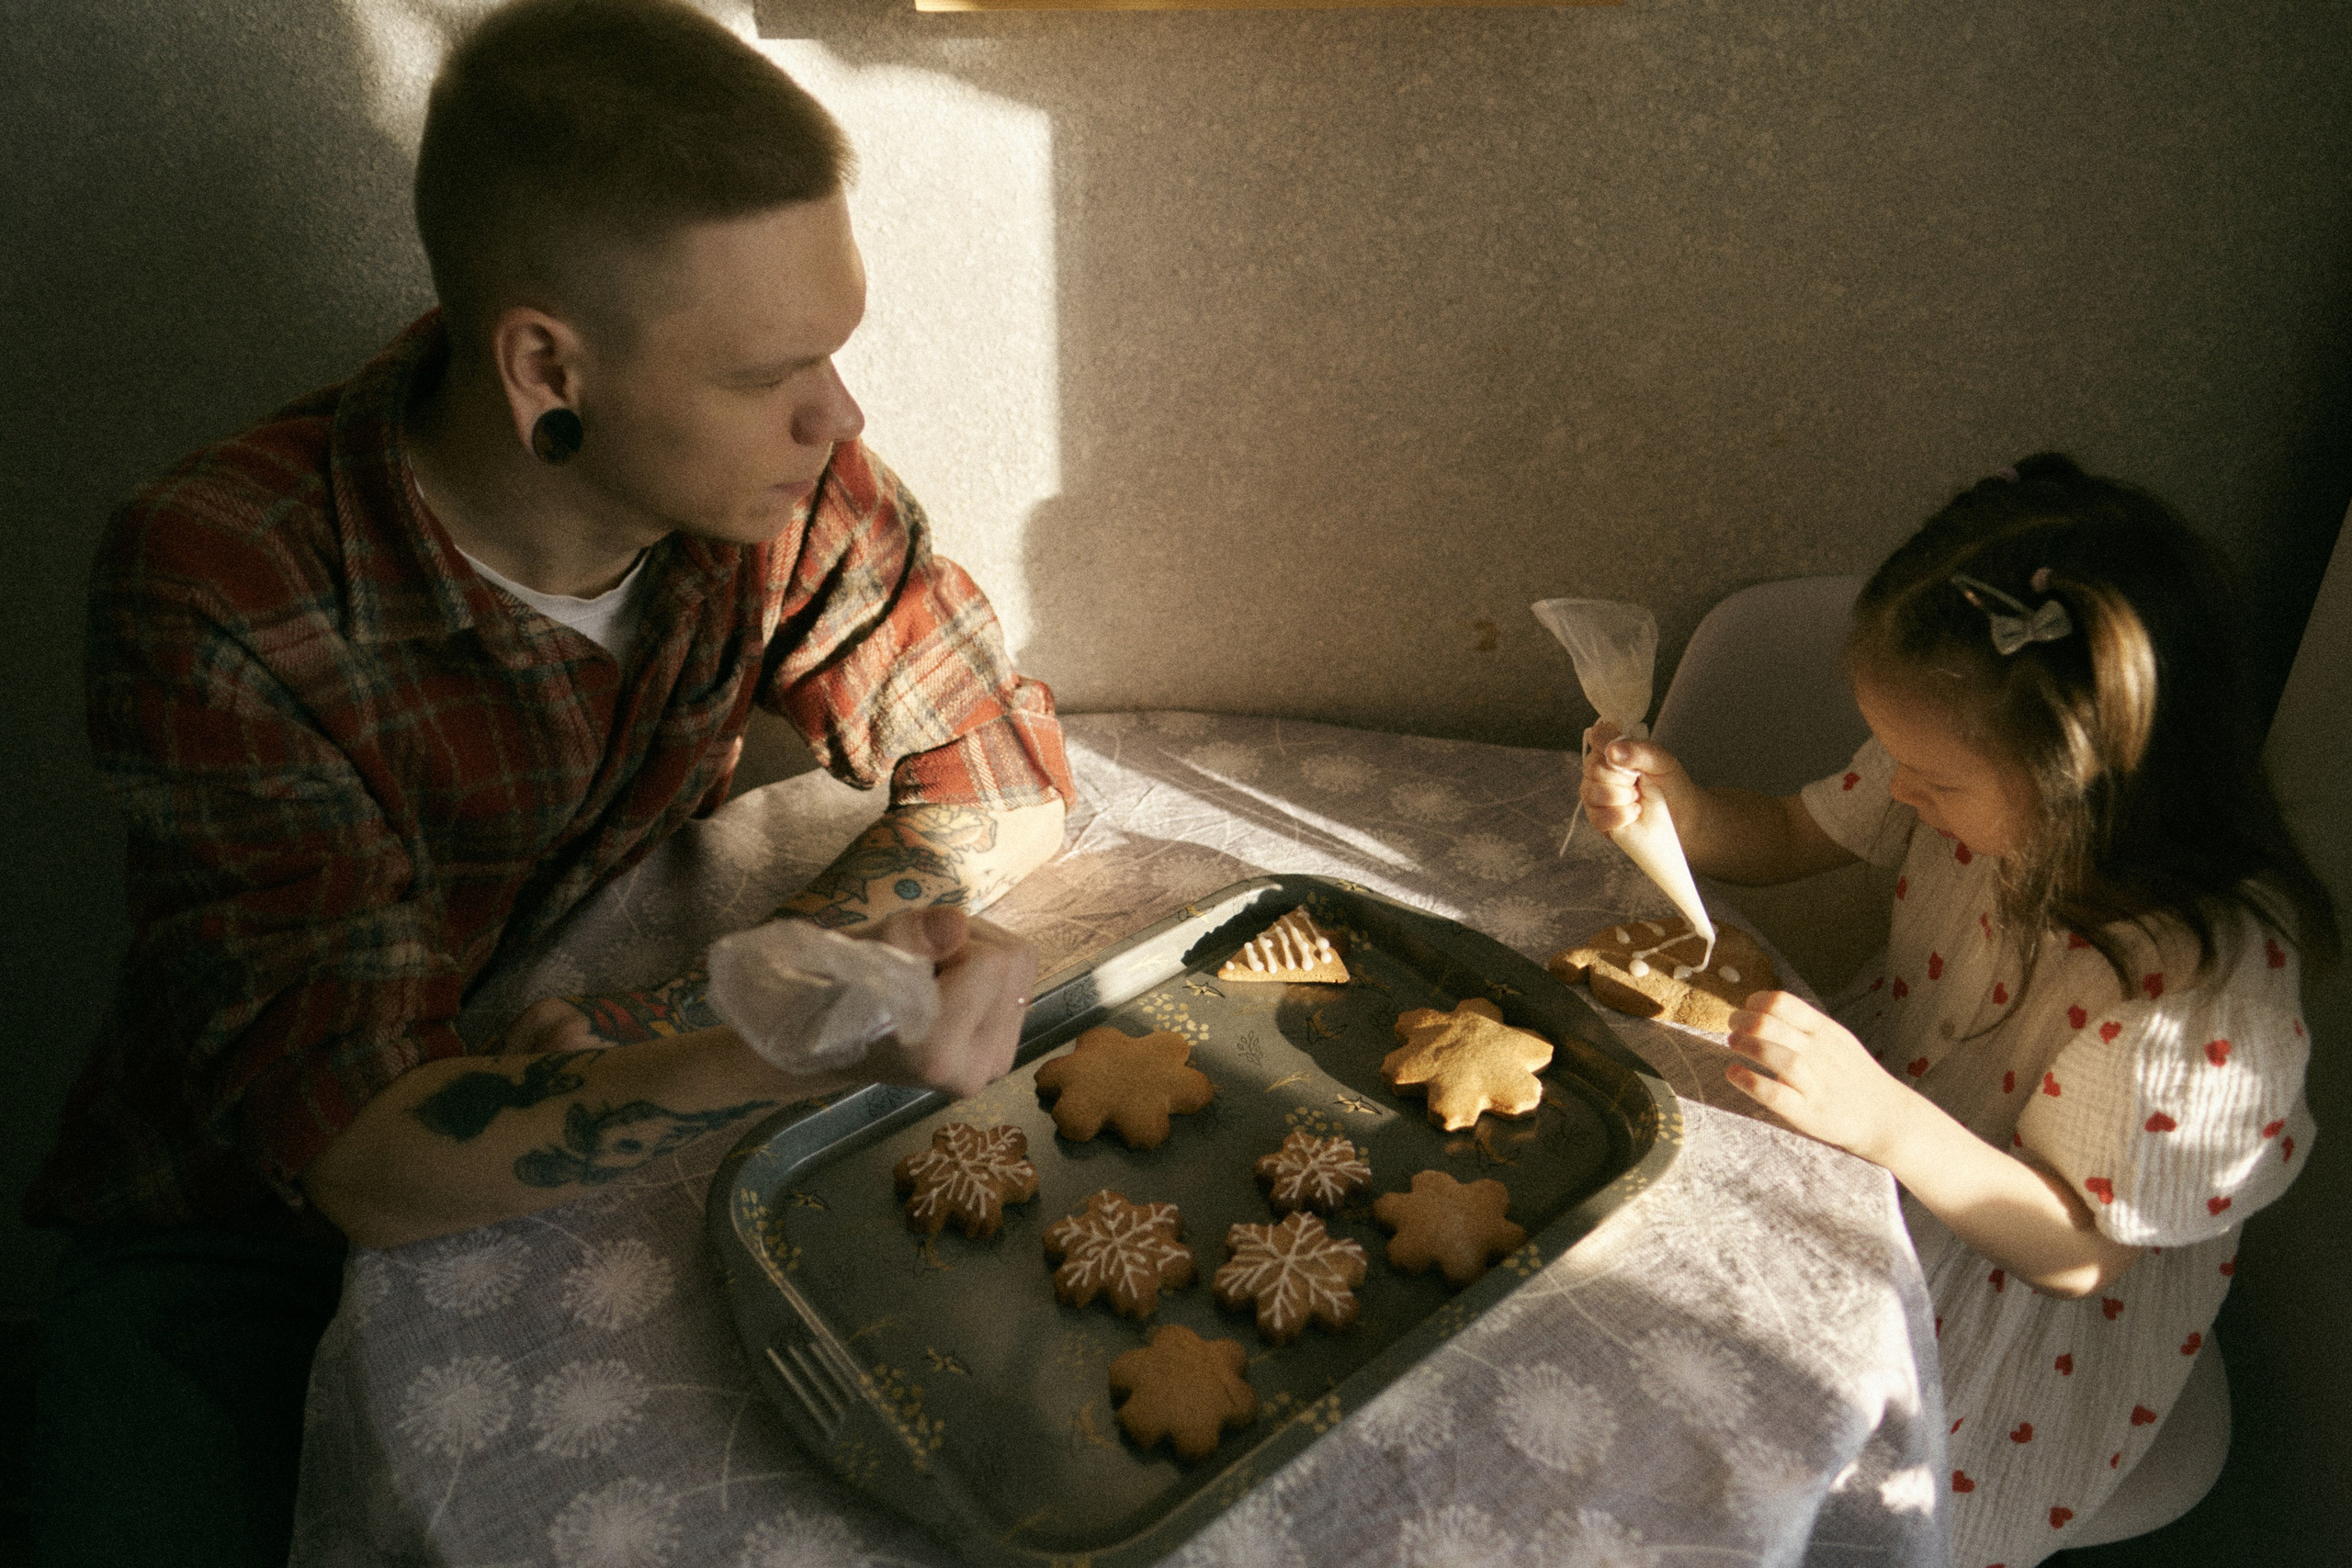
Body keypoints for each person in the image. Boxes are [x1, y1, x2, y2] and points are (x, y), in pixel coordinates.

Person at [26, 3, 1067, 1563]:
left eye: (833, 351)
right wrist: (778, 1040)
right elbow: (365, 1159)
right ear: (543, 365)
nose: (837, 415)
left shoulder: (779, 488)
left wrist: (782, 979)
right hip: (235, 1234)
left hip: (598, 1115)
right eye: (773, 370)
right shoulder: (223, 583)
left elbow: (995, 775)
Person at [1580, 454, 2335, 1568]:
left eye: (1929, 778)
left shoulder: (2199, 1002)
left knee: (1752, 1461)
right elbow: (1789, 835)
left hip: (2016, 1273)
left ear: (2084, 783)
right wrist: (1683, 811)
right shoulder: (1954, 770)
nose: (1898, 792)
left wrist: (1881, 1120)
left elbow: (2076, 1256)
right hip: (1897, 1106)